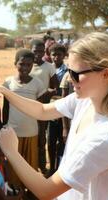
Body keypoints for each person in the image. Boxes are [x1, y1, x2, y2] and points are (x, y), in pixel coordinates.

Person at [0, 32, 108, 200]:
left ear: (105, 74)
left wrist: (11, 151)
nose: (70, 79)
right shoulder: (86, 100)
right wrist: (5, 92)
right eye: (69, 71)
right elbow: (42, 110)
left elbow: (46, 191)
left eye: (76, 74)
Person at [2, 49, 45, 190]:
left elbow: (41, 110)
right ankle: (15, 191)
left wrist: (42, 133)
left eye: (29, 65)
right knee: (13, 166)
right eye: (22, 64)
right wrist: (4, 126)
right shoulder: (8, 83)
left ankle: (29, 191)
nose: (25, 68)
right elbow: (6, 107)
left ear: (33, 65)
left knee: (29, 166)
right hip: (13, 132)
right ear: (15, 64)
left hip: (31, 132)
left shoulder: (37, 84)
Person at [30, 39, 59, 174]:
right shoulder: (26, 65)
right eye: (35, 51)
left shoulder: (49, 67)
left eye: (41, 51)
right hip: (27, 108)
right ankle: (30, 165)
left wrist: (46, 94)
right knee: (29, 137)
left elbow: (56, 88)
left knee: (41, 139)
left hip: (42, 108)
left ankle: (42, 166)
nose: (38, 54)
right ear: (31, 50)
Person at [0, 129, 23, 200]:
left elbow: (7, 180)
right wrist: (19, 196)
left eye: (3, 155)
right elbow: (3, 198)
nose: (1, 159)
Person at [47, 43, 67, 175]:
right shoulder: (47, 70)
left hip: (64, 111)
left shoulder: (68, 71)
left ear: (64, 56)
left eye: (59, 54)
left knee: (62, 141)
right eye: (53, 54)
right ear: (49, 55)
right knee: (50, 141)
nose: (56, 57)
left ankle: (60, 169)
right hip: (50, 110)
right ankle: (51, 168)